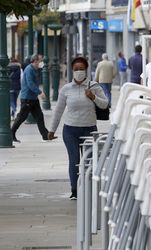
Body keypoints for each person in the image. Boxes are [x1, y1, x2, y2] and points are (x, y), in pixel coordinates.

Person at [48, 57, 108, 200]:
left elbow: (105, 105)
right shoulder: (66, 89)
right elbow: (58, 110)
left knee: (89, 161)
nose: (79, 72)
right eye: (76, 69)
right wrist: (51, 130)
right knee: (74, 160)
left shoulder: (94, 87)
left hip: (89, 130)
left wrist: (93, 97)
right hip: (70, 130)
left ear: (86, 70)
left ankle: (89, 188)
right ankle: (74, 190)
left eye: (81, 69)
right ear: (72, 71)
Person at [11, 54, 50, 143]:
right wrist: (40, 93)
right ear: (35, 61)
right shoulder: (29, 69)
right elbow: (30, 84)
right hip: (27, 98)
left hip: (33, 98)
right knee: (21, 117)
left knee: (39, 116)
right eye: (40, 60)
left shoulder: (34, 69)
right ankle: (11, 133)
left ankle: (45, 136)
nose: (41, 62)